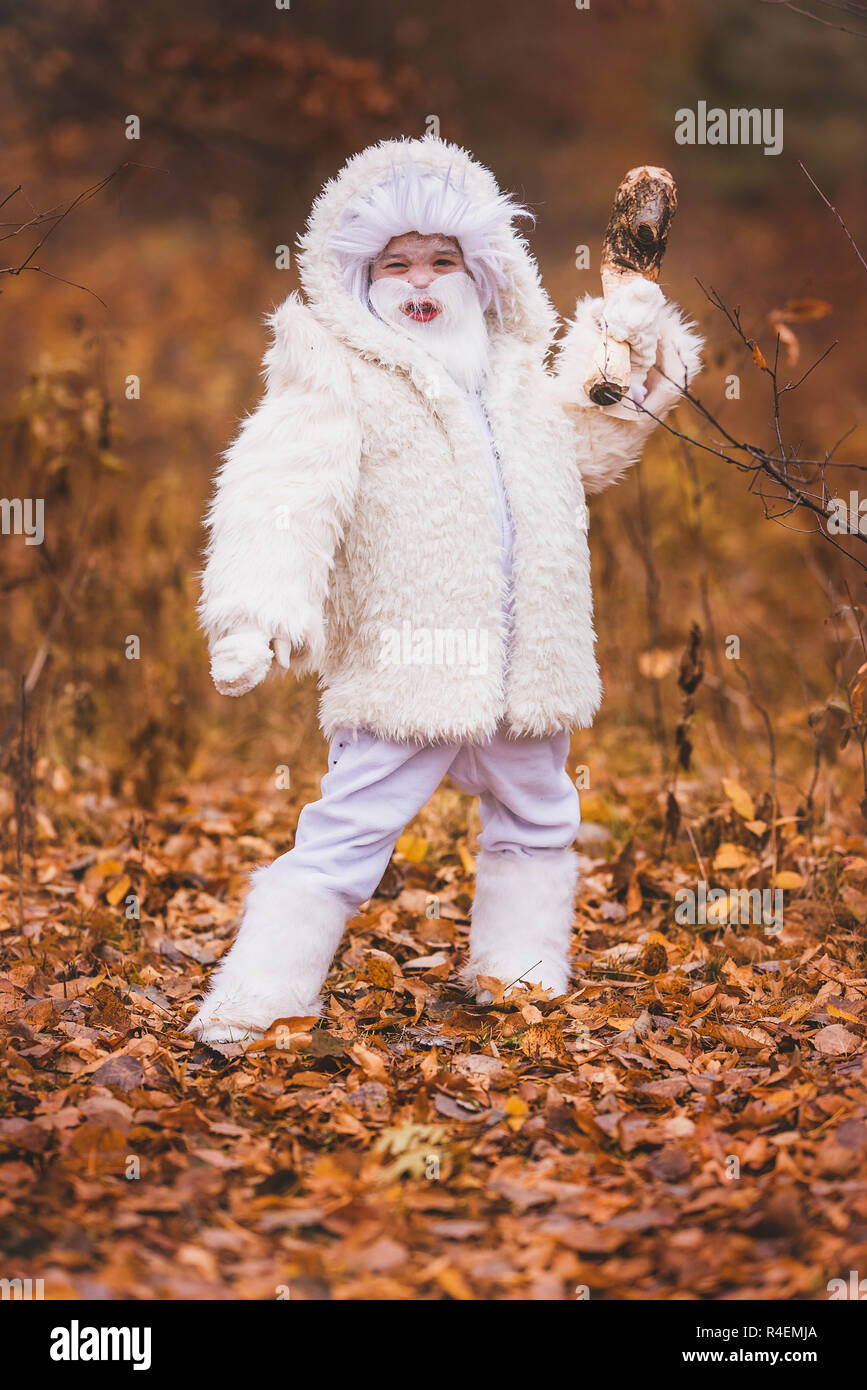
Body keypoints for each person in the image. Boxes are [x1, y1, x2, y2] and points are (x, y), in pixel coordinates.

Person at [190, 135, 703, 1042]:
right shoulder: (337, 377)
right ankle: (255, 1004)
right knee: (349, 832)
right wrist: (255, 612)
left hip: (525, 662)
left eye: (441, 261)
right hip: (409, 663)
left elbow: (593, 443)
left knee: (540, 817)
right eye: (395, 265)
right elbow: (279, 491)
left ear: (482, 272)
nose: (420, 282)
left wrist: (629, 334)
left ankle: (520, 977)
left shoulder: (514, 381)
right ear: (357, 280)